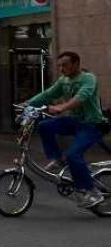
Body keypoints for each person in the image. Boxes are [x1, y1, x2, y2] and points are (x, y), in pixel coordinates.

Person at [27, 51, 107, 208]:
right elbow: (48, 94)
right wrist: (28, 103)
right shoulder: (63, 81)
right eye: (59, 66)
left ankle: (93, 192)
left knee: (73, 155)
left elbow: (82, 97)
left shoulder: (88, 78)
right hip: (75, 122)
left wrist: (62, 107)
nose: (62, 69)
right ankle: (56, 158)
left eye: (65, 65)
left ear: (76, 64)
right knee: (45, 126)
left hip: (92, 125)